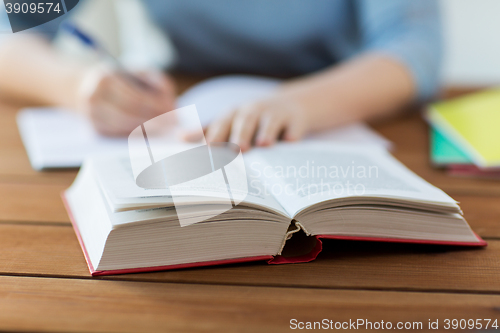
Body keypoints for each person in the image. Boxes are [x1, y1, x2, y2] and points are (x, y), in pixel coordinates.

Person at [0, 0, 442, 151]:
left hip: (335, 104)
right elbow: (9, 28)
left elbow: (413, 46)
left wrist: (297, 103)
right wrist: (76, 87)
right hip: (184, 106)